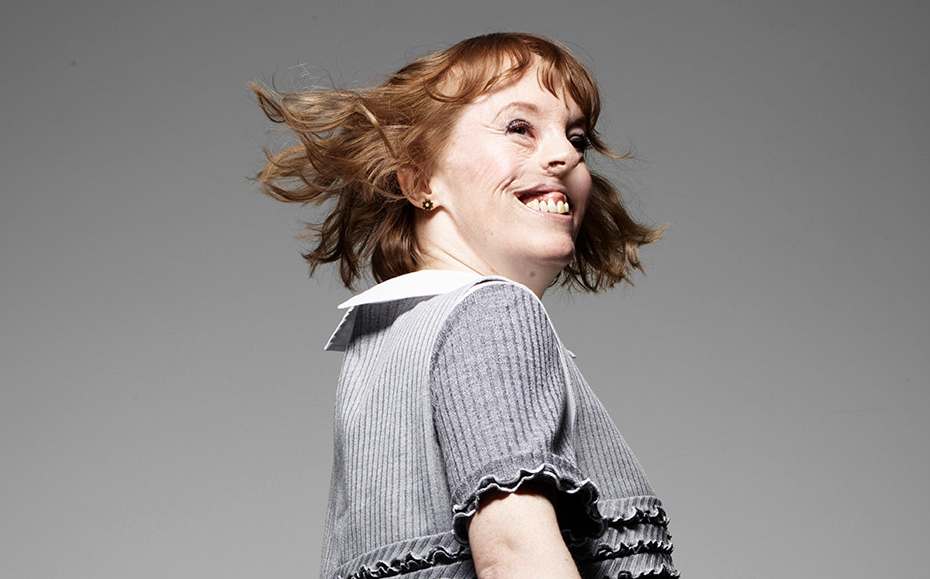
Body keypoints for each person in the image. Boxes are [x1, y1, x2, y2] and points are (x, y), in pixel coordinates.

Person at [249, 32, 678, 579]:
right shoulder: (494, 316)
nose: (566, 154)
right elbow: (515, 556)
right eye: (519, 127)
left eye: (577, 138)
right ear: (420, 178)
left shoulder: (383, 346)